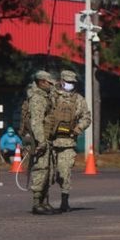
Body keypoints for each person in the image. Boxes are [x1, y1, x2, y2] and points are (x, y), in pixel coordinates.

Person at [48, 70, 91, 212]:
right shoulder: (52, 96)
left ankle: (64, 201)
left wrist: (78, 129)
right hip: (50, 142)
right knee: (47, 172)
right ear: (61, 81)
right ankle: (42, 201)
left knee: (64, 172)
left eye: (73, 82)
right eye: (68, 82)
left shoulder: (79, 100)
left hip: (67, 142)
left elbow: (86, 117)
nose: (70, 85)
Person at [27, 70, 58, 215]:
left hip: (48, 139)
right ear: (41, 82)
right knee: (41, 169)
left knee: (48, 170)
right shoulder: (37, 98)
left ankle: (45, 201)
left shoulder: (46, 97)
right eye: (49, 82)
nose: (51, 85)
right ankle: (36, 203)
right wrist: (41, 141)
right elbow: (36, 122)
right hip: (40, 140)